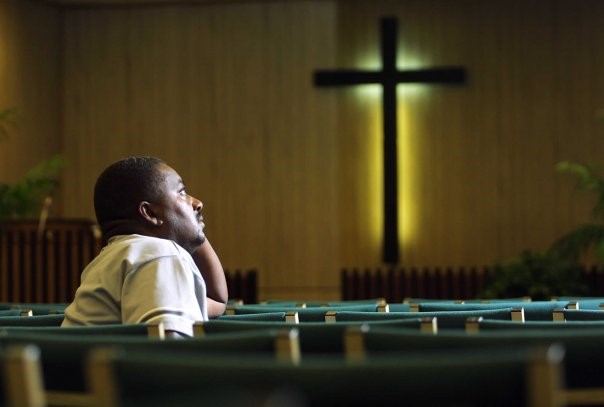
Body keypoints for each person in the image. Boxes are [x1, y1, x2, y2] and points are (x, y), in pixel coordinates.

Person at [62, 156, 228, 337]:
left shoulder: (116, 257)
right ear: (149, 213)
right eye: (181, 192)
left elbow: (216, 300)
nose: (197, 203)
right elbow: (166, 345)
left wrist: (193, 231)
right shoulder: (160, 255)